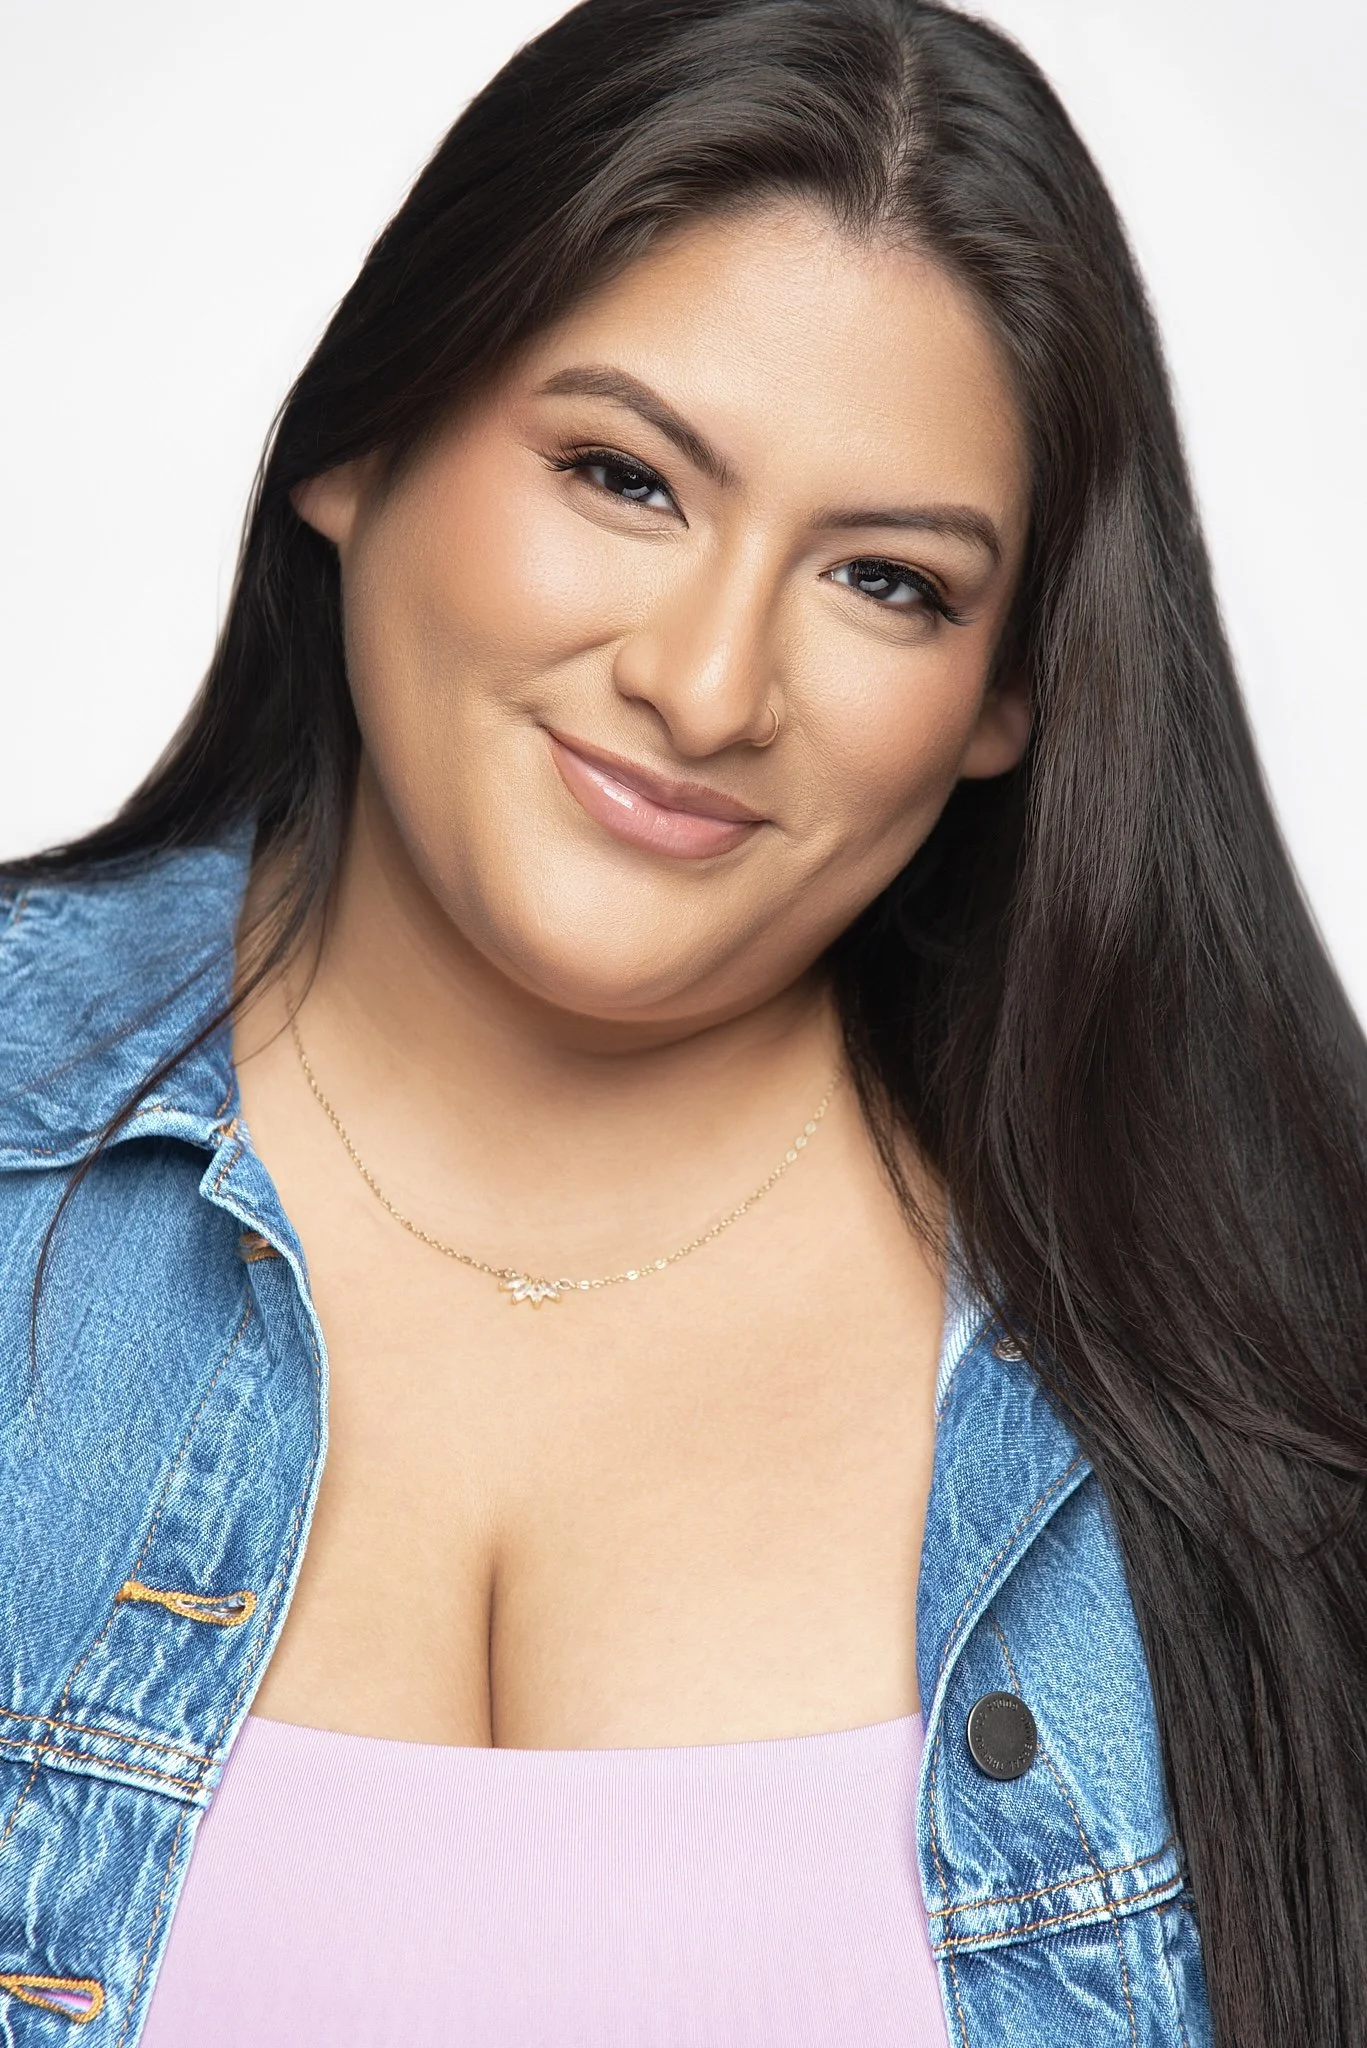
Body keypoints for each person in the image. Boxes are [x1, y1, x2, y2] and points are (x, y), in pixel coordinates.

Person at [1, 0, 1363, 2041]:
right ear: (359, 444)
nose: (710, 683)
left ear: (1008, 696)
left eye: (885, 581)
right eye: (621, 475)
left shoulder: (1256, 1360)